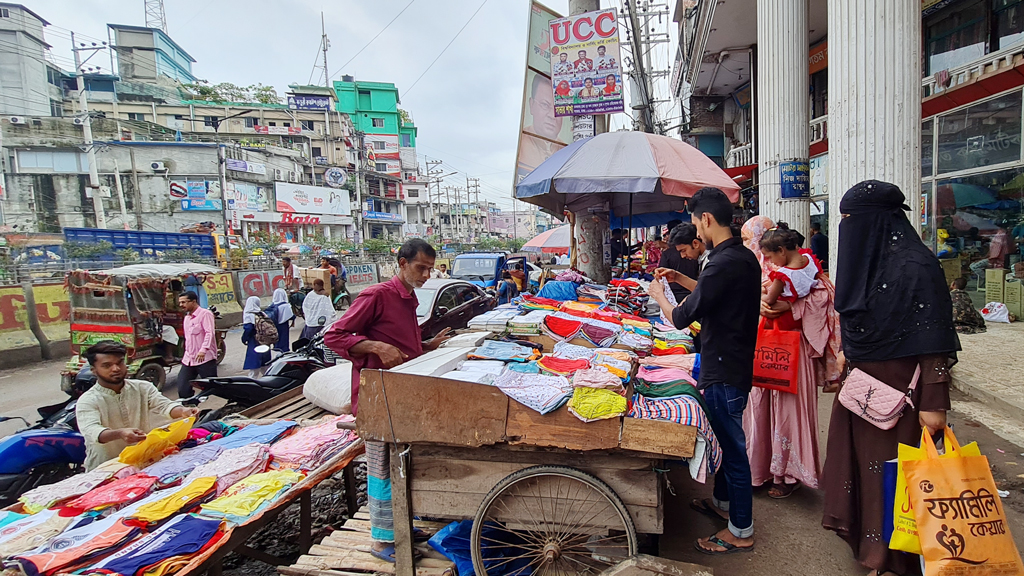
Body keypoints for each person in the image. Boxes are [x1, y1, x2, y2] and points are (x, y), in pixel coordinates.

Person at [822, 180, 960, 576]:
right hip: (863, 391)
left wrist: (935, 403)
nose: (848, 228)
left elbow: (933, 337)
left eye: (853, 220)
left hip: (904, 396)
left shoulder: (916, 266)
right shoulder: (869, 264)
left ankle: (895, 560)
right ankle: (872, 550)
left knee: (896, 477)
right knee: (864, 472)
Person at [324, 239, 453, 563]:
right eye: (420, 268)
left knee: (403, 463)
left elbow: (403, 346)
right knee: (382, 467)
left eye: (429, 268)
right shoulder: (377, 294)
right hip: (376, 398)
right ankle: (382, 541)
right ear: (402, 263)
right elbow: (334, 336)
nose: (426, 274)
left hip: (400, 395)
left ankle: (401, 523)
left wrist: (429, 345)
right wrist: (374, 347)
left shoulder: (408, 298)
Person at [648, 187, 761, 555]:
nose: (696, 230)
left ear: (707, 219)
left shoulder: (724, 262)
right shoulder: (736, 258)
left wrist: (661, 296)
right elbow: (711, 296)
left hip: (725, 369)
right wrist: (680, 281)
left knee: (733, 450)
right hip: (732, 363)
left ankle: (741, 530)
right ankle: (725, 506)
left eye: (696, 222)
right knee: (730, 446)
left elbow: (682, 317)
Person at [743, 219, 841, 500]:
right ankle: (758, 469)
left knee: (789, 410)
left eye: (751, 238)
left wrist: (794, 305)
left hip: (792, 347)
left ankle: (788, 474)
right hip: (762, 343)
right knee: (760, 408)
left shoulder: (803, 266)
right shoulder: (756, 265)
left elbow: (825, 296)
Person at [76, 341, 198, 471]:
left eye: (119, 363)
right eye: (107, 365)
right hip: (105, 470)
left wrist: (184, 411)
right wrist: (120, 433)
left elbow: (164, 406)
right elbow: (92, 431)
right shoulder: (88, 400)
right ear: (94, 370)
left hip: (140, 464)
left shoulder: (142, 387)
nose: (116, 369)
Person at [760, 223, 822, 310]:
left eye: (769, 257)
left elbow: (770, 299)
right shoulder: (810, 259)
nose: (771, 262)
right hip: (811, 311)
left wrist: (761, 294)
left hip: (788, 318)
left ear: (781, 250)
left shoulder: (783, 275)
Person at [176, 291, 217, 399]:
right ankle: (191, 405)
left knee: (213, 386)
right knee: (182, 388)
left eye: (184, 302)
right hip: (189, 358)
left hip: (204, 358)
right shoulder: (187, 318)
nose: (181, 305)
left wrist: (203, 350)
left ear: (193, 302)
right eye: (180, 303)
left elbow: (209, 333)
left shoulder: (205, 314)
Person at [659, 220, 702, 301]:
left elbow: (704, 292)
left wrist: (659, 296)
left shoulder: (710, 261)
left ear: (695, 243)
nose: (682, 256)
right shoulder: (701, 259)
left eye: (683, 250)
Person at [241, 297, 271, 378]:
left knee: (254, 366)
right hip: (265, 341)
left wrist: (244, 339)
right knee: (265, 366)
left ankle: (251, 384)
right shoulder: (262, 313)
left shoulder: (249, 314)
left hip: (254, 341)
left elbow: (248, 328)